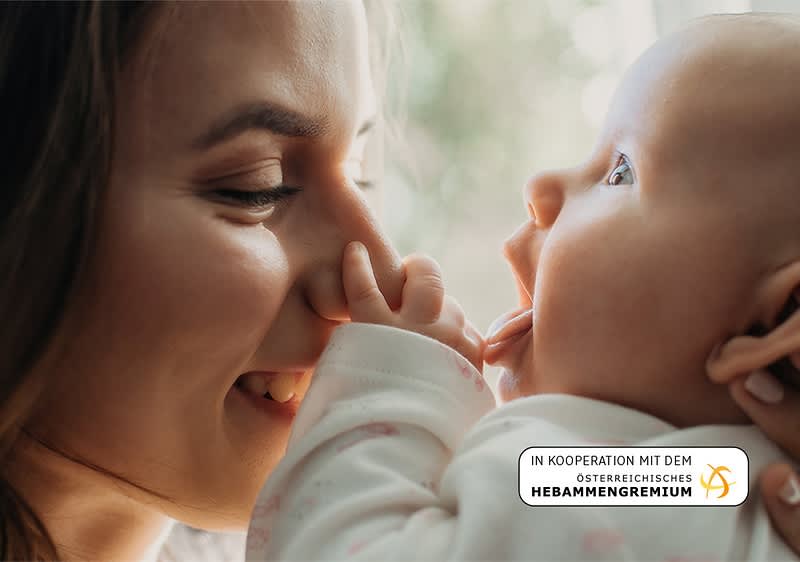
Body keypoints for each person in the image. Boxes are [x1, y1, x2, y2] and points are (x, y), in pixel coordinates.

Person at [0, 2, 799, 561]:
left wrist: (412, 388)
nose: (380, 268)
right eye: (259, 185)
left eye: (361, 170)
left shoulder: (701, 481)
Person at [245, 13, 800, 562]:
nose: (541, 186)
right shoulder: (710, 488)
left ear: (775, 330)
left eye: (621, 172)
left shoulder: (644, 491)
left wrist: (390, 383)